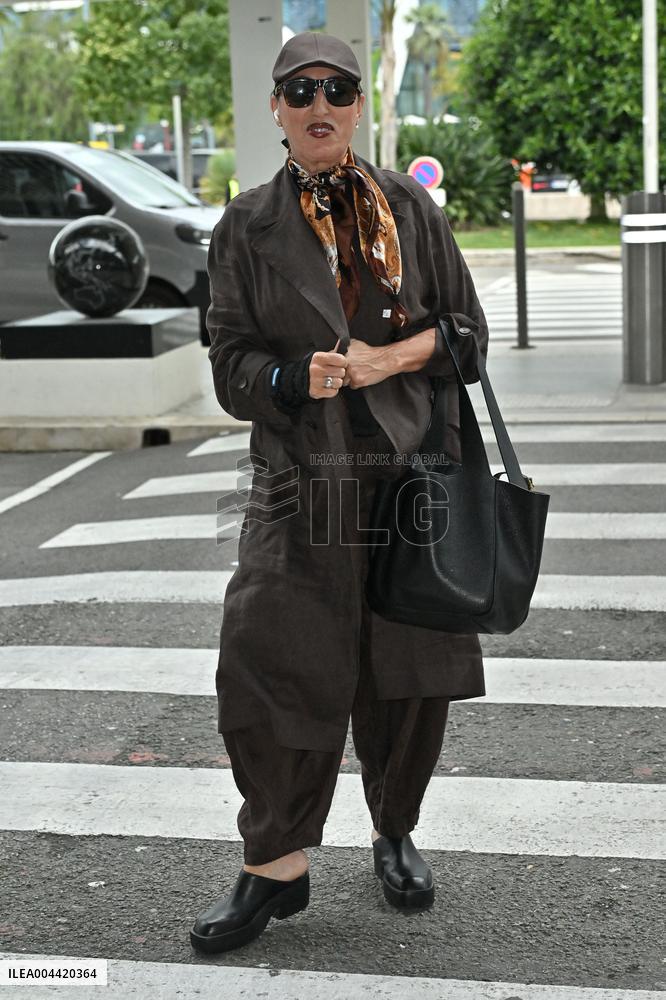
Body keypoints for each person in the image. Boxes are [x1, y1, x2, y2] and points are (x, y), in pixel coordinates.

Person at [190, 32, 489, 955]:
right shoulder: (246, 225)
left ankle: (394, 828)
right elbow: (230, 364)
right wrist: (292, 379)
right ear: (276, 109)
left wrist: (383, 361)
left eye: (338, 89)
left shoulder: (409, 208)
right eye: (300, 91)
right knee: (266, 655)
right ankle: (275, 861)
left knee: (408, 672)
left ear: (359, 105)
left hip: (412, 474)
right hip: (299, 479)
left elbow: (467, 334)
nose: (320, 105)